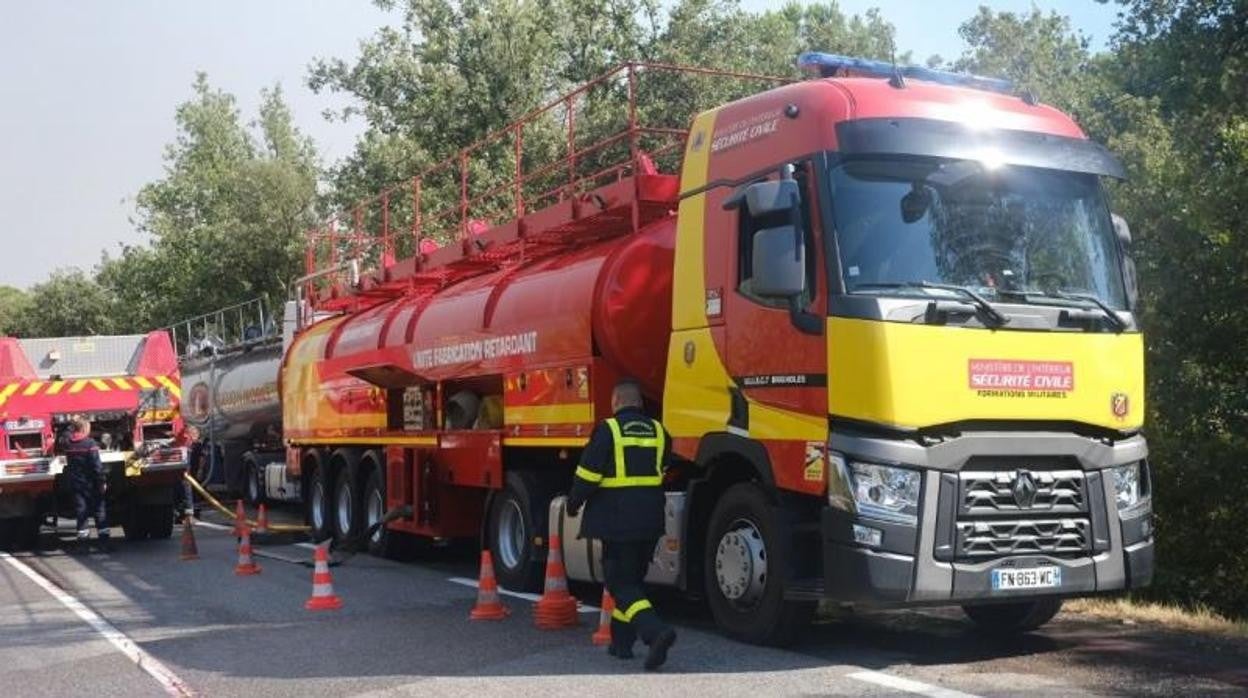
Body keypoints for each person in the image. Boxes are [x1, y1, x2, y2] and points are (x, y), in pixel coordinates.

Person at [566, 379, 677, 670]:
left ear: (615, 403)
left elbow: (588, 475)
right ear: (639, 403)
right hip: (650, 521)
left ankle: (655, 632)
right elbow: (663, 469)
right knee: (632, 582)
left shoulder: (609, 430)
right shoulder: (659, 431)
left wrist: (574, 502)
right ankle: (621, 644)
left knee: (619, 583)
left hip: (617, 521)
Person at [62, 415, 109, 544]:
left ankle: (83, 542)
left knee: (81, 510)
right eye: (88, 427)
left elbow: (65, 436)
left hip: (76, 484)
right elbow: (97, 466)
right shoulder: (90, 444)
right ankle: (104, 541)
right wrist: (102, 481)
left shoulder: (68, 444)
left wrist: (71, 424)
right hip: (92, 483)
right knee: (99, 510)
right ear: (84, 429)